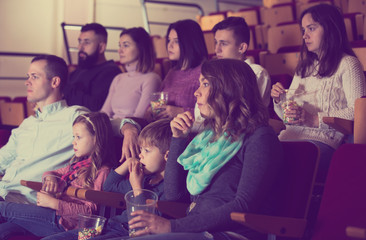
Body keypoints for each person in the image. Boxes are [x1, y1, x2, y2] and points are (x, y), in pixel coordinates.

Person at [107, 59, 284, 240]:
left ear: (229, 89)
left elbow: (244, 205)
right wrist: (178, 138)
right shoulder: (209, 139)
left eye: (205, 84)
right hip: (195, 231)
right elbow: (174, 195)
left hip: (229, 234)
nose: (196, 92)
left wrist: (172, 226)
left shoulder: (260, 137)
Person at [271, 4, 366, 183]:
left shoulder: (348, 64)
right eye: (303, 30)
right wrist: (279, 100)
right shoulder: (304, 68)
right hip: (289, 138)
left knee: (274, 168)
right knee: (253, 157)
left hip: (323, 144)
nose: (305, 35)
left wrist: (314, 119)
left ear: (330, 28)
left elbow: (358, 113)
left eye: (311, 28)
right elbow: (288, 118)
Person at [42, 118, 172, 240]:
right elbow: (109, 186)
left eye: (147, 151)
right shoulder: (145, 178)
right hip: (110, 226)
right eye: (141, 149)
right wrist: (126, 165)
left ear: (167, 155)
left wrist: (137, 186)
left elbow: (142, 224)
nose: (140, 155)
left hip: (124, 233)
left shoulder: (168, 189)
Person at [0, 112, 116, 239]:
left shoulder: (102, 172)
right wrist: (50, 179)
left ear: (96, 138)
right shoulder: (78, 165)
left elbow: (90, 212)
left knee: (2, 208)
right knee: (4, 231)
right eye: (73, 137)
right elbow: (52, 173)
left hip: (64, 223)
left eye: (78, 137)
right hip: (53, 215)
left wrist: (54, 203)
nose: (73, 142)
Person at [0, 54, 88, 204]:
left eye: (34, 77)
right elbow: (3, 158)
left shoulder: (73, 116)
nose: (27, 82)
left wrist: (128, 128)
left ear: (54, 82)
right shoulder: (27, 124)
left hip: (26, 201)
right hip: (4, 193)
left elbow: (109, 124)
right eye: (28, 76)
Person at [120, 19, 208, 161]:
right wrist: (151, 110)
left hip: (186, 135)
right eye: (169, 40)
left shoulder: (204, 71)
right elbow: (157, 101)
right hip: (162, 132)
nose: (170, 45)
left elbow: (212, 112)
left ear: (190, 43)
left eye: (176, 41)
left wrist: (179, 111)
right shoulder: (172, 72)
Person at [193, 16, 272, 131]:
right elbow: (199, 115)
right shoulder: (213, 73)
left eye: (223, 44)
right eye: (216, 43)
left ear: (241, 47)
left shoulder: (257, 73)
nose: (217, 49)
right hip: (211, 131)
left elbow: (246, 115)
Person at [101, 27, 161, 119]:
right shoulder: (118, 78)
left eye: (125, 45)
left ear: (141, 48)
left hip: (129, 129)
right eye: (119, 45)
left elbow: (138, 119)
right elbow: (104, 113)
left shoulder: (152, 79)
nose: (120, 50)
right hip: (110, 127)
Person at [64, 23, 122, 111]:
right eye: (80, 41)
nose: (80, 47)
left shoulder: (111, 71)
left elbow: (94, 106)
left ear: (101, 47)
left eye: (87, 42)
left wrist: (63, 88)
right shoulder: (79, 70)